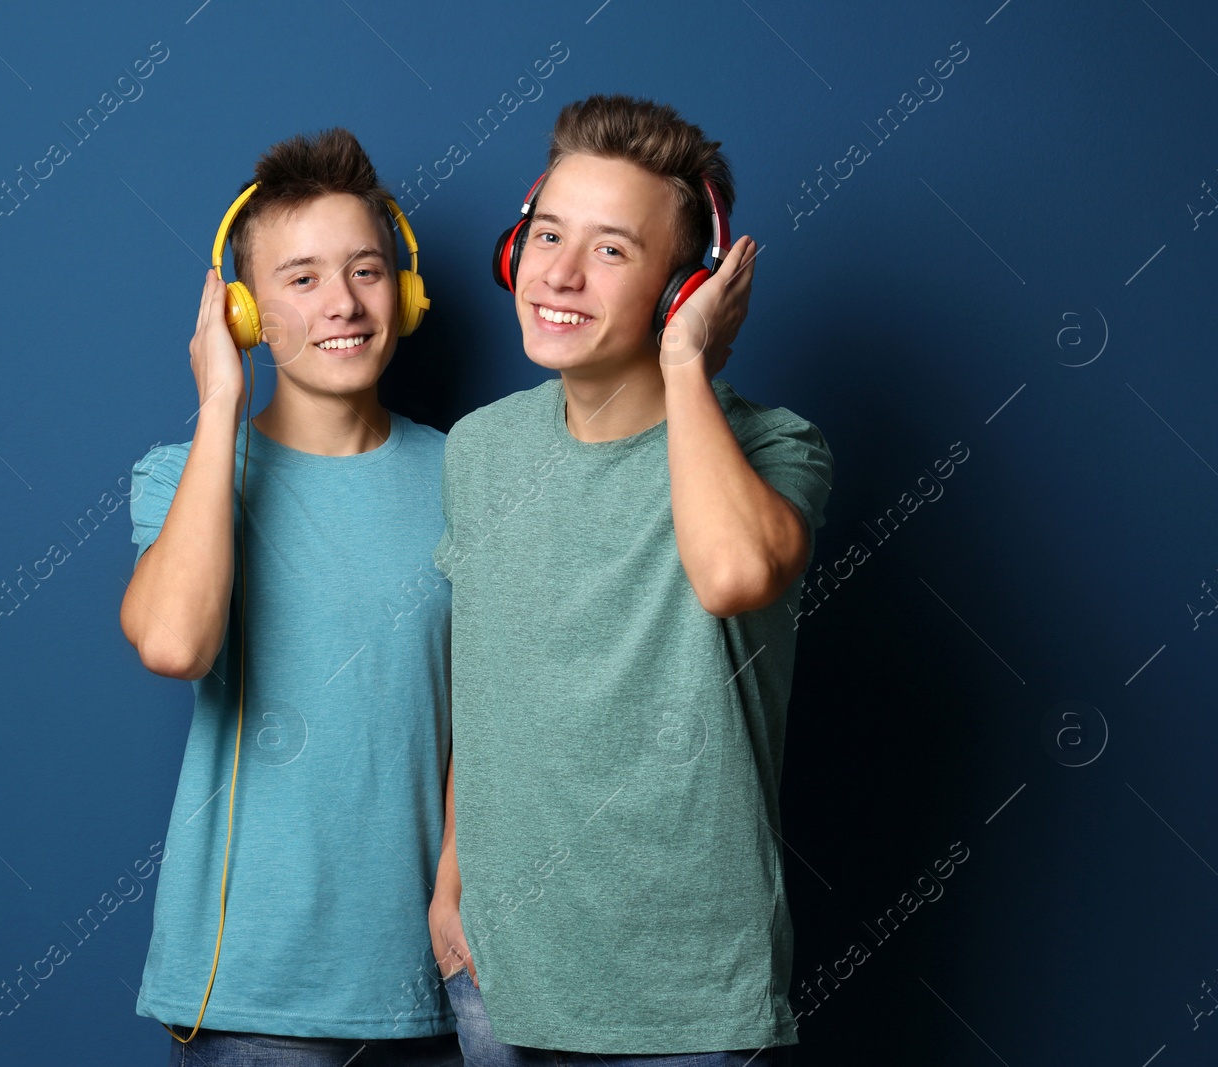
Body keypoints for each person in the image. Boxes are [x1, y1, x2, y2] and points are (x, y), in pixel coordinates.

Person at [427, 94, 834, 1064]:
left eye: (611, 249)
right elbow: (485, 681)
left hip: (687, 1004)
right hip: (499, 975)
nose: (556, 272)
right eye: (544, 234)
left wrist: (684, 363)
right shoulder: (479, 450)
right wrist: (452, 876)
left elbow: (735, 573)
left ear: (679, 287)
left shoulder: (778, 446)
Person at [120, 127, 461, 1066]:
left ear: (407, 290)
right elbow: (173, 644)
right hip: (257, 1000)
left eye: (366, 269)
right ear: (243, 311)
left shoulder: (470, 473)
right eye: (301, 278)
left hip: (439, 990)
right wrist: (218, 405)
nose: (343, 303)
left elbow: (497, 706)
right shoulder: (187, 473)